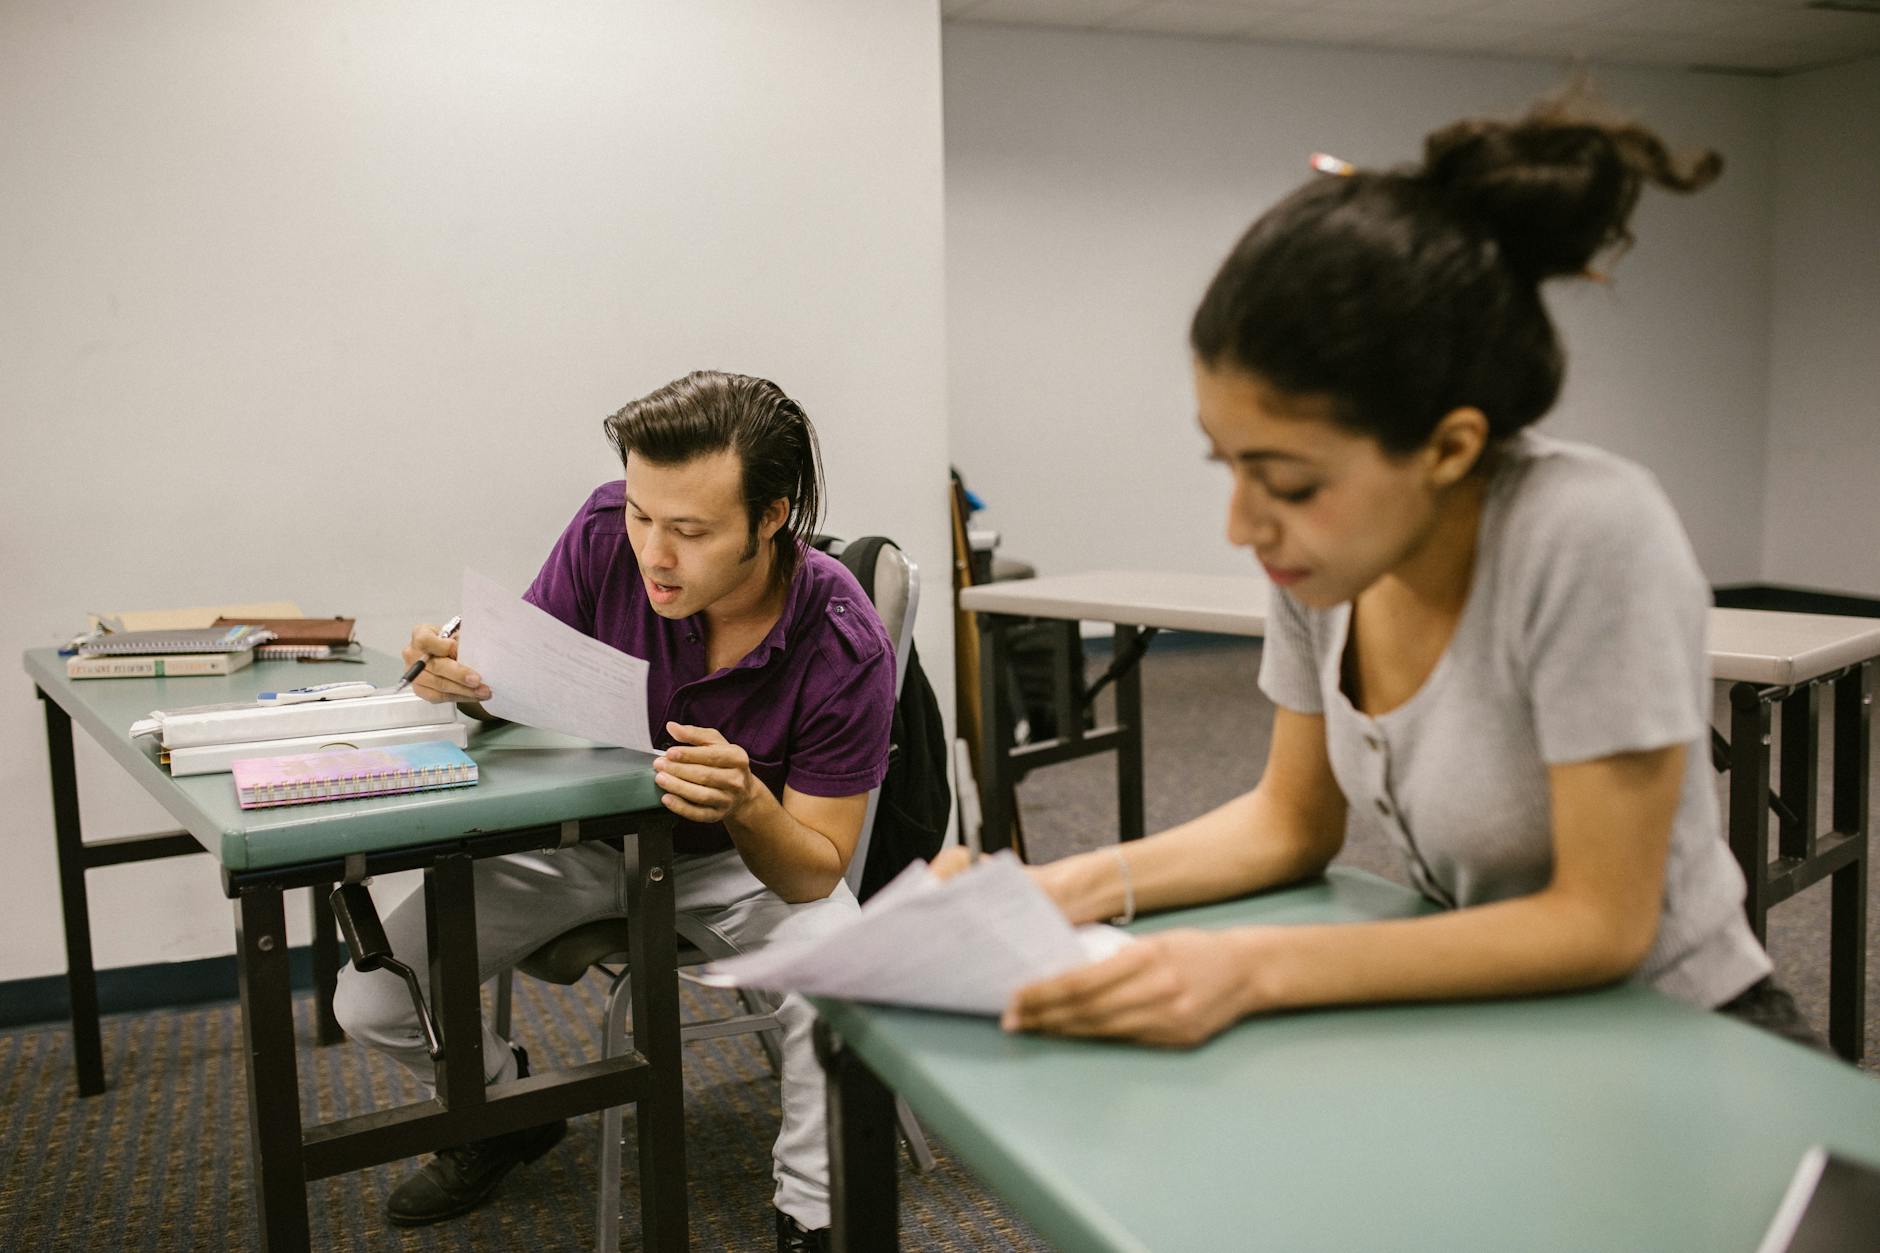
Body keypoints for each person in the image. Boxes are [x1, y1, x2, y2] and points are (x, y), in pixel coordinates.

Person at [961, 88, 1817, 1052]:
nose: (1245, 524)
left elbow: (1599, 921)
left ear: (1449, 449)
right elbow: (1289, 823)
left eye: (1286, 479)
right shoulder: (1327, 566)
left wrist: (1246, 967)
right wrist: (1047, 890)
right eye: (1229, 465)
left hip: (1689, 1037)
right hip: (1506, 1021)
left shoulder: (1586, 532)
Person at [333, 370, 896, 1252]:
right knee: (371, 998)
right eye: (642, 514)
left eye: (691, 530)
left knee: (846, 982)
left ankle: (814, 1213)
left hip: (738, 861)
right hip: (585, 837)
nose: (653, 553)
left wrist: (747, 800)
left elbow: (815, 866)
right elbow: (515, 684)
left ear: (773, 515)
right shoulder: (604, 529)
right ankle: (508, 1112)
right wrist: (463, 679)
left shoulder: (843, 640)